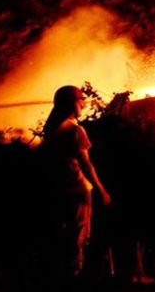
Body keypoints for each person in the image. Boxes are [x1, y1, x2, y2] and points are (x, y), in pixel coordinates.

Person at [42, 85, 112, 284]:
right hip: (77, 191)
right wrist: (102, 190)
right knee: (79, 237)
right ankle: (74, 278)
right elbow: (86, 164)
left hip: (58, 189)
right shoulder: (75, 130)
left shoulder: (52, 129)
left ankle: (61, 275)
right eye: (80, 99)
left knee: (63, 235)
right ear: (71, 103)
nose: (83, 102)